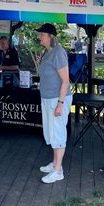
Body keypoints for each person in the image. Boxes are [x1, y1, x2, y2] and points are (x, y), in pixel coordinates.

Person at [36, 23, 72, 184]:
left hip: (57, 99)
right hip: (47, 98)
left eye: (42, 34)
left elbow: (65, 80)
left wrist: (60, 103)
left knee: (57, 132)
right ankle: (55, 163)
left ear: (50, 36)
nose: (39, 37)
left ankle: (58, 170)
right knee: (51, 132)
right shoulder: (47, 52)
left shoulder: (58, 52)